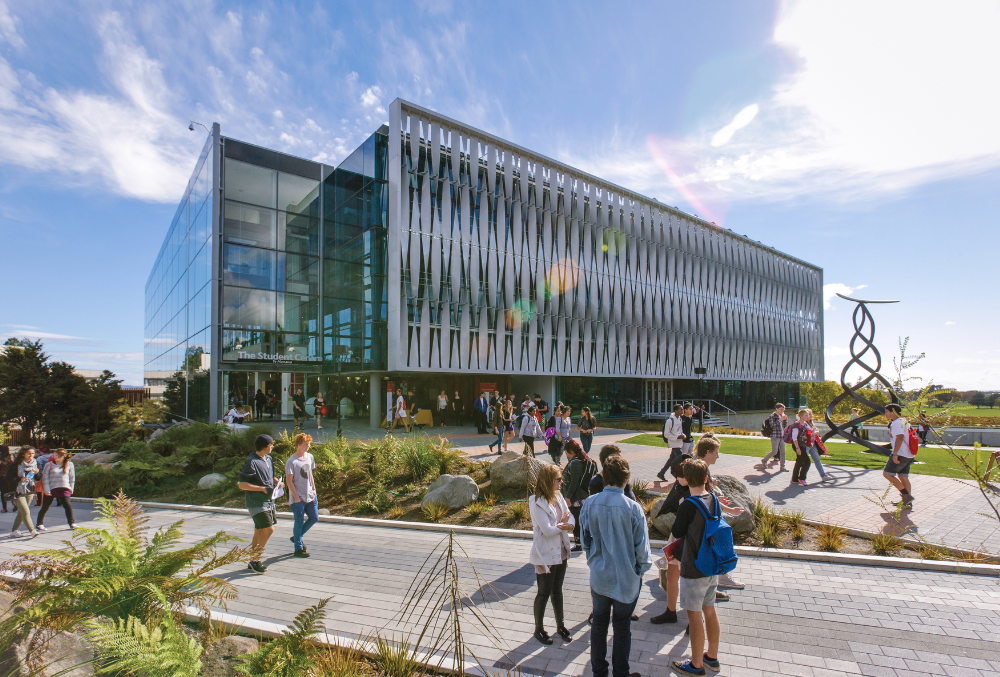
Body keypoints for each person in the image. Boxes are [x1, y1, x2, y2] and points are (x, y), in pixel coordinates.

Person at [669, 458, 741, 676]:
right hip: (712, 565)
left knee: (694, 616)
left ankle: (697, 664)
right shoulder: (713, 499)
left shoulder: (689, 505)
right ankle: (712, 657)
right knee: (710, 611)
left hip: (693, 567)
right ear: (706, 478)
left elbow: (678, 532)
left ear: (686, 481)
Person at [581, 455, 652, 677]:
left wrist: (594, 560)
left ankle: (598, 672)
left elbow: (585, 540)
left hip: (600, 576)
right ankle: (621, 673)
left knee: (599, 625)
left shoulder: (590, 503)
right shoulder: (633, 508)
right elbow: (643, 551)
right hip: (626, 578)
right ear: (626, 479)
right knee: (622, 627)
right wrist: (639, 572)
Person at [528, 464, 575, 645]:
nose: (561, 482)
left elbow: (569, 517)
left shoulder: (558, 496)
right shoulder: (536, 501)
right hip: (545, 554)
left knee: (557, 591)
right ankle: (538, 629)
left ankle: (560, 626)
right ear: (549, 481)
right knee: (544, 592)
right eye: (558, 479)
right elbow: (546, 531)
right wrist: (564, 525)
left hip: (561, 550)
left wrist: (567, 524)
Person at [650, 456, 694, 625]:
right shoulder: (681, 489)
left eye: (680, 476)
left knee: (689, 581)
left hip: (688, 542)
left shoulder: (693, 495)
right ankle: (671, 611)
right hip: (677, 539)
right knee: (672, 574)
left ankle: (694, 620)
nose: (677, 479)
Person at [238, 434, 284, 574]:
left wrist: (277, 482)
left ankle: (253, 560)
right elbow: (242, 485)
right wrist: (262, 489)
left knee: (259, 530)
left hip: (268, 501)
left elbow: (271, 476)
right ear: (264, 446)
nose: (273, 446)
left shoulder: (268, 459)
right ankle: (255, 560)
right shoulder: (251, 462)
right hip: (256, 502)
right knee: (269, 529)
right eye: (271, 444)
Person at [286, 433, 319, 558]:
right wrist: (296, 497)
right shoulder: (291, 461)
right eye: (306, 444)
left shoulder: (310, 457)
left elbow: (310, 474)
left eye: (309, 444)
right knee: (299, 521)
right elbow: (289, 481)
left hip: (310, 495)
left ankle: (297, 537)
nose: (308, 446)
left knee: (314, 517)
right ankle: (298, 548)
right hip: (298, 497)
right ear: (299, 445)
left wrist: (314, 490)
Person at [561, 440, 596, 551]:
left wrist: (568, 497)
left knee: (576, 520)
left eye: (566, 451)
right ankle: (582, 542)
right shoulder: (579, 460)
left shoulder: (575, 462)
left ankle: (579, 544)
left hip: (577, 497)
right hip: (578, 496)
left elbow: (574, 482)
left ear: (570, 451)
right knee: (579, 520)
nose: (565, 453)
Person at [36, 448, 75, 531]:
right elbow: (45, 478)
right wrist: (47, 490)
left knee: (67, 505)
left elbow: (72, 477)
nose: (55, 457)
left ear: (63, 456)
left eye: (57, 455)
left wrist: (71, 488)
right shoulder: (49, 465)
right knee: (45, 506)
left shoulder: (70, 464)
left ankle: (72, 523)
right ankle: (39, 523)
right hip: (52, 488)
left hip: (64, 487)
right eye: (54, 455)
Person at [883, 404, 914, 508]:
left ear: (893, 411)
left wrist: (895, 454)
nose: (885, 414)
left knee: (887, 474)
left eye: (887, 411)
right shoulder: (904, 421)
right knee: (903, 476)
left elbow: (899, 438)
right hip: (908, 454)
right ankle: (907, 502)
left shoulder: (896, 423)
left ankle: (906, 496)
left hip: (900, 453)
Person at [10, 446, 39, 538]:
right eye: (29, 453)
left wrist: (38, 472)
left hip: (30, 490)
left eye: (33, 453)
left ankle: (14, 531)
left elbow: (38, 478)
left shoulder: (35, 463)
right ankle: (32, 530)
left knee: (21, 512)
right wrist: (20, 478)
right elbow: (8, 478)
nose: (31, 455)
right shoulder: (16, 464)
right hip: (18, 491)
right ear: (23, 454)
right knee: (26, 511)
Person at [657, 404, 686, 481]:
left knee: (671, 460)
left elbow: (680, 431)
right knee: (681, 459)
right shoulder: (670, 421)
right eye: (681, 409)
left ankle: (661, 473)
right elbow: (666, 434)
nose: (682, 410)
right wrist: (676, 437)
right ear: (676, 410)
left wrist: (683, 435)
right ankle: (678, 476)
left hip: (679, 442)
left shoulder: (679, 419)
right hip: (674, 443)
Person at [760, 403, 788, 471]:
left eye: (783, 409)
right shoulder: (772, 416)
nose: (782, 410)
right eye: (781, 409)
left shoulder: (781, 415)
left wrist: (785, 420)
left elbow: (784, 426)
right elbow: (772, 425)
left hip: (781, 435)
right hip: (775, 436)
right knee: (774, 451)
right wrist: (780, 420)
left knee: (783, 451)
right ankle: (764, 460)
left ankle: (782, 467)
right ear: (777, 409)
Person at [789, 409, 812, 487]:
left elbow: (810, 431)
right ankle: (802, 478)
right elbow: (794, 437)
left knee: (799, 461)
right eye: (806, 415)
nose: (807, 416)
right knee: (807, 462)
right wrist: (797, 448)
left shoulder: (805, 424)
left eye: (808, 415)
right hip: (798, 445)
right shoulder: (796, 425)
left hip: (803, 445)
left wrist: (809, 443)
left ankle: (794, 479)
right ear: (801, 416)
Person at [0, 445, 12, 513]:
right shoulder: (12, 457)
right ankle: (15, 505)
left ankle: (5, 508)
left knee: (3, 492)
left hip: (2, 477)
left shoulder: (1, 458)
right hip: (10, 476)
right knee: (12, 490)